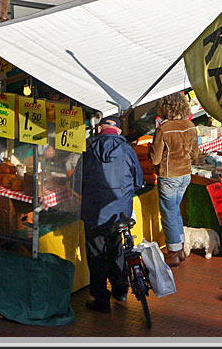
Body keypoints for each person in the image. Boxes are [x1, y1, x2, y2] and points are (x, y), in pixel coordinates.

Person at [80, 116, 144, 313]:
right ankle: (121, 290)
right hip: (119, 214)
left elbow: (78, 179)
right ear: (117, 131)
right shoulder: (127, 150)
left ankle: (101, 299)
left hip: (94, 212)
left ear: (100, 129)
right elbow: (138, 180)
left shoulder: (90, 149)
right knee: (117, 250)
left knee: (96, 254)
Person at [148, 92, 200, 268]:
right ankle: (181, 245)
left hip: (169, 175)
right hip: (185, 173)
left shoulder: (164, 129)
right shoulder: (190, 125)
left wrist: (150, 148)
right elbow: (195, 154)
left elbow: (155, 159)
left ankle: (173, 252)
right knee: (175, 210)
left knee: (169, 213)